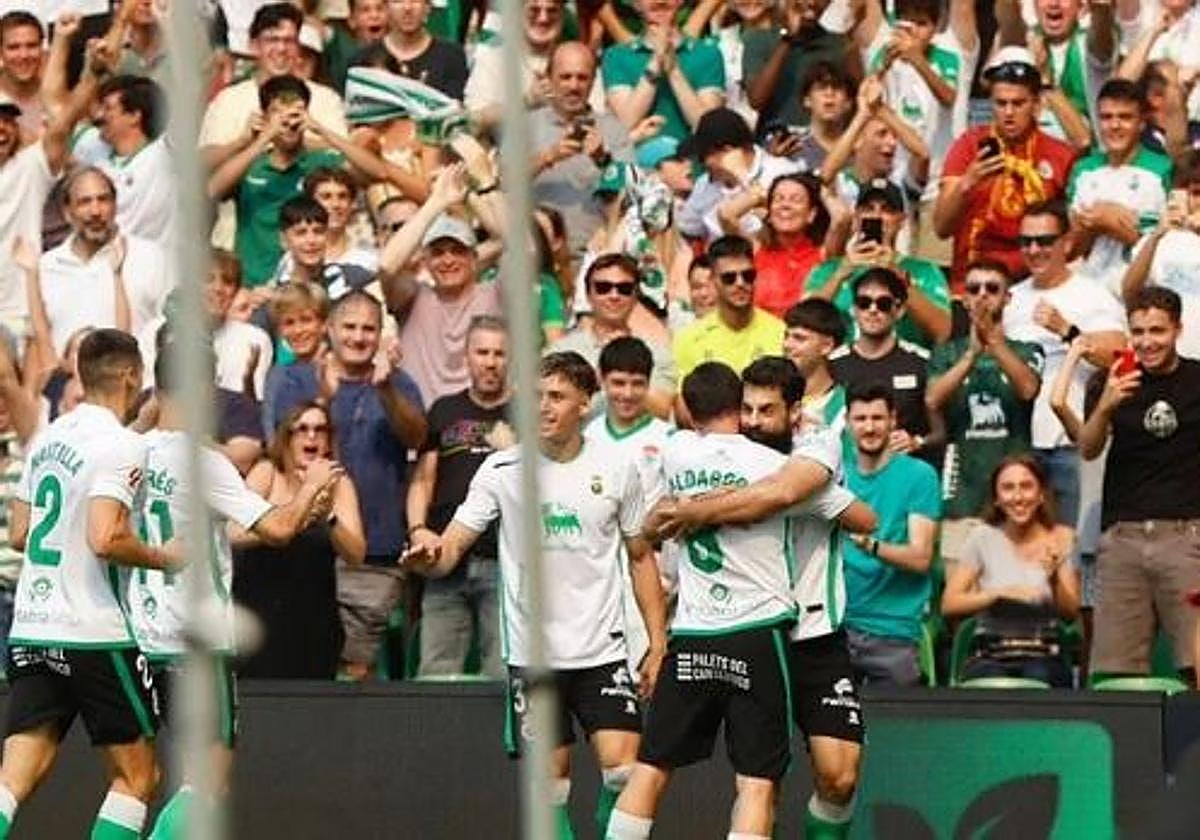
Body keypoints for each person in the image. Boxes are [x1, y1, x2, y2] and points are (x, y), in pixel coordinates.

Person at [404, 352, 668, 838]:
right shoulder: (502, 469)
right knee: (551, 786)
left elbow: (640, 556)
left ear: (585, 404)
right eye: (537, 396)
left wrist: (658, 640)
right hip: (533, 655)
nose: (543, 407)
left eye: (557, 397)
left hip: (603, 648)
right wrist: (429, 557)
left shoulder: (617, 469)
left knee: (623, 771)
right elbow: (452, 547)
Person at [607, 362, 858, 840]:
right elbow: (861, 517)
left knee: (838, 777)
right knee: (757, 781)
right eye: (748, 409)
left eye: (767, 410)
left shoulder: (813, 445)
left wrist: (696, 508)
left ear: (795, 411)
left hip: (808, 631)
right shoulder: (752, 460)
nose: (755, 420)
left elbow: (782, 493)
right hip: (757, 629)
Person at [132, 340, 345, 838]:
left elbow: (222, 532)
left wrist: (299, 514)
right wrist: (310, 489)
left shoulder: (128, 453)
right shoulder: (204, 462)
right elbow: (278, 530)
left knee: (137, 783)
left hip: (138, 636)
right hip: (196, 641)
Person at [0, 329, 176, 839]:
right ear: (133, 376)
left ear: (82, 374)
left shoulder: (48, 439)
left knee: (13, 779)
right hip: (93, 632)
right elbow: (106, 537)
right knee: (138, 779)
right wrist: (164, 557)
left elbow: (19, 533)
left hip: (33, 628)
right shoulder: (124, 446)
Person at [270, 290, 425, 680]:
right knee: (300, 663)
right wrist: (324, 398)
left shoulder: (399, 382)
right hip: (303, 549)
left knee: (354, 670)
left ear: (380, 334)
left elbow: (417, 438)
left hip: (376, 550)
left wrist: (386, 390)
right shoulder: (295, 379)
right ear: (330, 328)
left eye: (368, 329)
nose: (358, 337)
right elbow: (280, 449)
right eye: (349, 327)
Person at [1079, 287, 1200, 683]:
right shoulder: (1110, 379)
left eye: (1157, 331)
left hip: (1187, 536)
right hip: (1123, 537)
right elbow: (1088, 448)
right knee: (1116, 673)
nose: (1147, 342)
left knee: (1196, 663)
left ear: (1178, 330)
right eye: (1138, 332)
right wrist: (1106, 405)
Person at [206, 74, 399, 288]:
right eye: (277, 112)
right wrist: (261, 138)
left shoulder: (322, 162)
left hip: (308, 286)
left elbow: (378, 172)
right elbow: (213, 189)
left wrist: (322, 131)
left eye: (296, 112)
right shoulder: (250, 163)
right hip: (254, 284)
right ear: (264, 116)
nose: (288, 122)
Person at [1002, 200, 1125, 527]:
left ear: (1067, 243)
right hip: (1018, 445)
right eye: (1026, 241)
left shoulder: (1092, 294)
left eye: (1044, 241)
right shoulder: (1011, 298)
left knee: (1068, 545)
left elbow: (1119, 354)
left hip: (1069, 442)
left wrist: (1068, 331)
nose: (1033, 250)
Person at [406, 316, 511, 678]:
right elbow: (423, 479)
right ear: (466, 356)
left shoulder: (528, 415)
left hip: (503, 562)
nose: (490, 362)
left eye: (499, 353)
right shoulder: (444, 410)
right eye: (482, 352)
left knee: (502, 675)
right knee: (436, 672)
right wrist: (417, 529)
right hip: (444, 558)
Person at [236, 401, 367, 678]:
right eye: (302, 429)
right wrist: (294, 516)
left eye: (320, 429)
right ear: (286, 438)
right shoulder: (267, 473)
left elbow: (356, 554)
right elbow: (233, 532)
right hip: (259, 612)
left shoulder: (339, 484)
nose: (311, 437)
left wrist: (329, 517)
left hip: (314, 616)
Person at [926, 260, 1043, 565]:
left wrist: (994, 342)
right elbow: (932, 400)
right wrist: (970, 356)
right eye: (974, 288)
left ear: (1007, 298)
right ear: (964, 299)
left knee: (1012, 590)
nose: (982, 295)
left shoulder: (1028, 350)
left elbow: (1028, 389)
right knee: (957, 587)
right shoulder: (946, 353)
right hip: (961, 496)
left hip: (1015, 500)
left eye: (992, 288)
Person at [934, 46, 1077, 291]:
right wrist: (967, 183)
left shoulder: (1060, 155)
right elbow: (941, 228)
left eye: (1018, 103)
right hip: (974, 285)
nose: (1009, 113)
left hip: (1034, 285)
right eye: (1001, 103)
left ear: (1036, 104)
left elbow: (1072, 236)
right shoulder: (969, 146)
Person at [941, 454, 1080, 687]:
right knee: (988, 681)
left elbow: (1070, 614)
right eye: (1007, 488)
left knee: (1039, 677)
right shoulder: (982, 537)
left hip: (1043, 655)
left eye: (1026, 487)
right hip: (990, 654)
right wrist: (996, 594)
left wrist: (1054, 578)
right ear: (996, 498)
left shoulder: (1060, 538)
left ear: (1041, 494)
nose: (1017, 497)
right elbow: (949, 605)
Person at [29, 167, 172, 379]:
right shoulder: (46, 267)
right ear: (67, 212)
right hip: (66, 393)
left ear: (115, 205)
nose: (95, 211)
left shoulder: (151, 257)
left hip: (135, 388)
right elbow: (34, 344)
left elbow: (170, 329)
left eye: (103, 199)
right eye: (84, 202)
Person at [378, 165, 504, 406]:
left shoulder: (495, 294)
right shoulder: (413, 296)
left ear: (474, 258)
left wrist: (470, 194)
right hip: (423, 422)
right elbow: (386, 266)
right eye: (438, 252)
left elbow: (522, 247)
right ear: (425, 260)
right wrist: (436, 202)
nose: (448, 260)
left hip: (482, 419)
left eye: (457, 251)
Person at [584, 336, 674, 674]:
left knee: (645, 667)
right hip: (598, 568)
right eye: (618, 383)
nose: (627, 393)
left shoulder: (668, 438)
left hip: (649, 566)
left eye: (637, 383)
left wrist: (668, 573)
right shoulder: (587, 436)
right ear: (602, 380)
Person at [841, 382, 941, 686]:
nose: (869, 427)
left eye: (877, 418)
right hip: (838, 627)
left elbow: (920, 558)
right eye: (860, 419)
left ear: (893, 420)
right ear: (846, 422)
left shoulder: (919, 475)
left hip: (895, 631)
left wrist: (870, 545)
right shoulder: (835, 474)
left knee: (900, 717)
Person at [805, 178, 951, 350]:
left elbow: (944, 333)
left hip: (905, 363)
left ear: (901, 221)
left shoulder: (924, 271)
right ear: (856, 217)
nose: (877, 216)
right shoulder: (829, 269)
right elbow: (802, 323)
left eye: (886, 210)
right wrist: (840, 274)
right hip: (839, 363)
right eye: (868, 209)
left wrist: (896, 275)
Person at [1067, 78, 1173, 295]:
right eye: (1106, 117)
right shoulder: (1083, 170)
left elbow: (1160, 244)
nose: (1115, 125)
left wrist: (1106, 220)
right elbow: (1070, 249)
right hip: (1089, 287)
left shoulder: (1163, 169)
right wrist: (1100, 223)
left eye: (1125, 117)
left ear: (1142, 122)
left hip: (1142, 291)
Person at [531, 42, 634, 261]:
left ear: (594, 81)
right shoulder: (524, 127)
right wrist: (548, 157)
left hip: (593, 260)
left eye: (582, 78)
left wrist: (604, 160)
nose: (574, 86)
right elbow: (501, 184)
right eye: (565, 77)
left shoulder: (614, 130)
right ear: (549, 78)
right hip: (536, 260)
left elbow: (632, 196)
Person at [551, 254, 676, 419]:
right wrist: (595, 377)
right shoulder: (562, 351)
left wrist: (625, 363)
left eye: (624, 289)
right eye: (603, 288)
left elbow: (662, 410)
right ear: (588, 295)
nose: (614, 296)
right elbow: (552, 408)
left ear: (635, 296)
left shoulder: (657, 352)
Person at [829, 267, 934, 459]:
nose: (873, 310)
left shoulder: (922, 362)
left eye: (883, 304)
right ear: (853, 310)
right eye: (864, 303)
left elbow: (943, 429)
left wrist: (917, 441)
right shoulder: (832, 364)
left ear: (899, 310)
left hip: (904, 467)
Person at [601, 0, 725, 142]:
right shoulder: (617, 56)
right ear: (636, 4)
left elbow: (707, 127)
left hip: (691, 155)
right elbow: (626, 123)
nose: (660, 1)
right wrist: (656, 61)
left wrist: (673, 70)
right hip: (640, 155)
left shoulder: (708, 54)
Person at [677, 107, 802, 243]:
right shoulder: (704, 184)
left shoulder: (783, 172)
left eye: (704, 157)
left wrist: (741, 175)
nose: (703, 164)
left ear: (726, 150)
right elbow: (686, 230)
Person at [673, 235, 785, 385]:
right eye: (729, 278)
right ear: (713, 280)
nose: (740, 283)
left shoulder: (780, 333)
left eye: (748, 275)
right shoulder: (688, 340)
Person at [717, 172, 829, 319]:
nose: (785, 205)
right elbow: (726, 215)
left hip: (803, 330)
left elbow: (842, 217)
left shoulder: (825, 251)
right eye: (778, 199)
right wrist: (758, 196)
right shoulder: (755, 249)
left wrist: (822, 190)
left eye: (796, 200)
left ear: (811, 214)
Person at [1122, 151, 1200, 358]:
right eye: (1195, 193)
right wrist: (1156, 236)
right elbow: (1130, 294)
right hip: (1169, 358)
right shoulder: (1159, 241)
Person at [743, 0, 854, 132]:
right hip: (777, 139)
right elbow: (756, 100)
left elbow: (854, 104)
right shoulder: (759, 39)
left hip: (825, 140)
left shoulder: (840, 46)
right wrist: (787, 39)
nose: (812, 2)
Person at [91, 74, 176, 242]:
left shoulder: (162, 154)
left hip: (156, 256)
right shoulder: (98, 167)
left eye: (108, 108)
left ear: (134, 116)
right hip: (106, 254)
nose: (99, 116)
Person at [376, 0, 468, 100]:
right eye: (398, 1)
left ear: (428, 7)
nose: (407, 8)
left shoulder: (451, 56)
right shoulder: (366, 57)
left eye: (415, 1)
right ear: (386, 7)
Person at [783, 298, 847, 433]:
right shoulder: (775, 398)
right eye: (786, 336)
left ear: (827, 346)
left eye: (799, 338)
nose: (787, 345)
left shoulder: (844, 406)